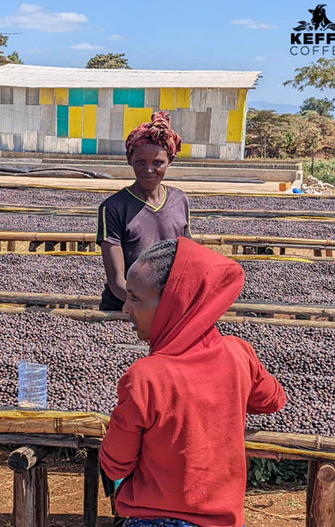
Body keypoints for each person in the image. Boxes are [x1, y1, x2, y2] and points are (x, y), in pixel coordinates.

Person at [100, 237, 287, 527]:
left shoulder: (146, 377)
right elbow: (273, 400)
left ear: (174, 305)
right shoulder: (239, 353)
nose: (126, 308)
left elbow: (115, 464)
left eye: (135, 298)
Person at [96, 111, 191, 311]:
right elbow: (117, 282)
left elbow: (187, 260)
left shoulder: (179, 200)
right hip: (124, 307)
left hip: (167, 305)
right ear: (129, 159)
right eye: (140, 162)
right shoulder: (113, 207)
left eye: (157, 163)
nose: (148, 169)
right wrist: (150, 307)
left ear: (170, 161)